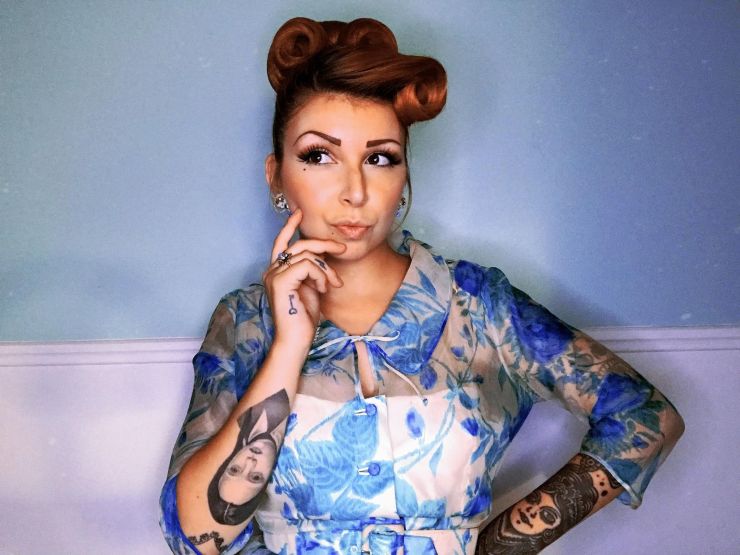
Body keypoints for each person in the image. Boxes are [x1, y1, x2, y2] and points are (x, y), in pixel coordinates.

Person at [159, 16, 684, 555]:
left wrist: (502, 547)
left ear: (404, 176)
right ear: (276, 175)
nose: (355, 191)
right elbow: (196, 538)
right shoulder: (246, 321)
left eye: (379, 158)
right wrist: (290, 347)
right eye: (319, 156)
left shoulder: (477, 306)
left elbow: (644, 417)